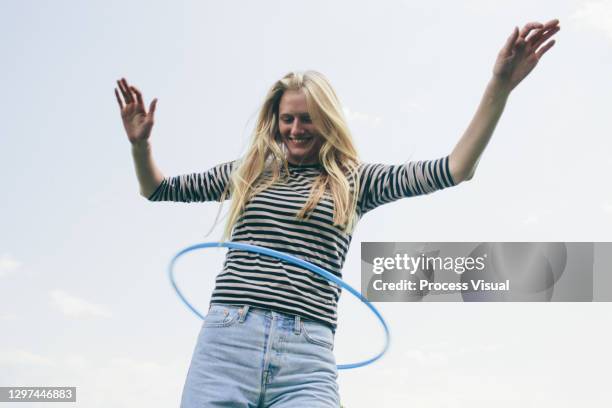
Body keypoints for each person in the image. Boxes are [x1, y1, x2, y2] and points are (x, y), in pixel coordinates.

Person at [115, 19, 559, 407]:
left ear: (326, 121)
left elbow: (454, 169)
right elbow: (158, 189)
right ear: (274, 121)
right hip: (228, 339)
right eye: (287, 119)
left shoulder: (355, 181)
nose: (295, 129)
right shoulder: (248, 173)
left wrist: (499, 86)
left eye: (307, 119)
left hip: (306, 354)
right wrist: (141, 145)